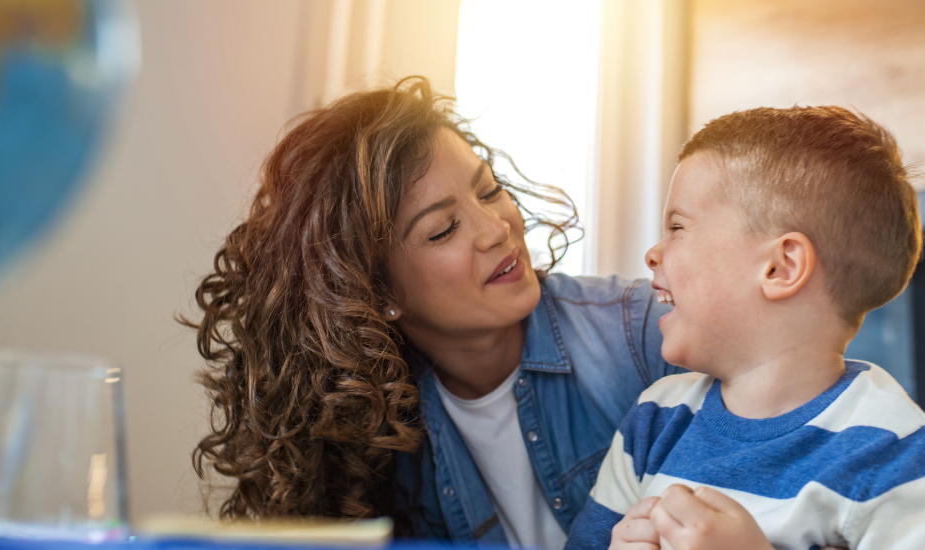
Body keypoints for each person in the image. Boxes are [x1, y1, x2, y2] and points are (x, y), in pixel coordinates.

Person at [184, 77, 680, 549]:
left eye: (489, 190)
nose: (496, 228)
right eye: (443, 229)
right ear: (374, 293)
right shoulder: (377, 436)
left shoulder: (646, 332)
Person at [564, 107, 925, 550]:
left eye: (678, 227)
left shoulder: (899, 457)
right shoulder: (655, 421)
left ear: (780, 267)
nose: (653, 253)